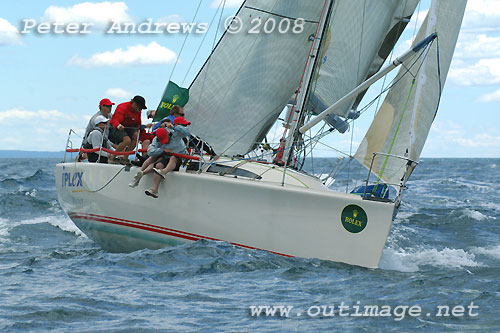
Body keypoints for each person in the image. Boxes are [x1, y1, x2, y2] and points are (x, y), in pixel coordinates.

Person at [145, 116, 191, 198]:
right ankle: (154, 189)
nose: (185, 127)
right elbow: (150, 151)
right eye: (163, 127)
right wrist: (162, 150)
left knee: (172, 158)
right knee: (158, 164)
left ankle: (162, 172)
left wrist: (175, 127)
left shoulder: (177, 134)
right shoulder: (158, 136)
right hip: (165, 157)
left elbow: (186, 133)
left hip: (178, 158)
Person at [109, 95, 147, 164]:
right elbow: (115, 119)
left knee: (136, 136)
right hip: (116, 127)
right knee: (127, 140)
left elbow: (138, 124)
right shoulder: (122, 107)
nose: (140, 110)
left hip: (129, 128)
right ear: (135, 104)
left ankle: (125, 157)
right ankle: (112, 156)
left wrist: (143, 133)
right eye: (140, 108)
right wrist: (118, 126)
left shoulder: (138, 111)